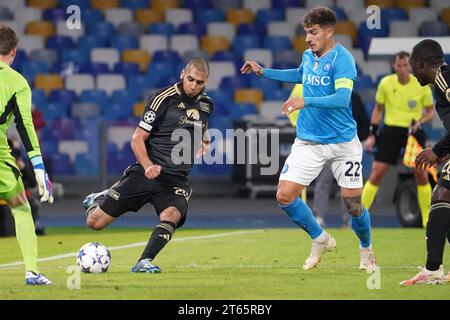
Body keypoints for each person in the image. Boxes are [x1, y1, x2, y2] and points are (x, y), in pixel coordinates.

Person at [241, 7, 376, 270]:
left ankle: (366, 248)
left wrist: (305, 100)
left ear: (329, 31)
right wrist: (263, 72)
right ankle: (320, 238)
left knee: (353, 205)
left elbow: (341, 99)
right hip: (309, 141)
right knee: (285, 195)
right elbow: (300, 74)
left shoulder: (343, 59)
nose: (308, 38)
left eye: (313, 33)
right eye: (306, 33)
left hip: (342, 143)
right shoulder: (309, 55)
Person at [82, 59, 213, 273]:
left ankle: (144, 261)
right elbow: (137, 139)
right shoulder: (162, 99)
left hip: (176, 178)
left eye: (199, 82)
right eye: (190, 79)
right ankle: (98, 199)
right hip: (147, 173)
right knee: (94, 222)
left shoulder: (207, 104)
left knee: (172, 215)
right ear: (182, 74)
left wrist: (205, 139)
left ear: (205, 82)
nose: (193, 85)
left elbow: (202, 122)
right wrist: (149, 166)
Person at [0, 25, 53, 285]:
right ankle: (32, 271)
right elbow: (24, 126)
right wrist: (39, 169)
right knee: (21, 208)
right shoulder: (17, 82)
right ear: (14, 51)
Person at [362, 51, 435, 228]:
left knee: (421, 174)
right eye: (399, 65)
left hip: (413, 132)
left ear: (410, 66)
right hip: (391, 131)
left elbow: (430, 111)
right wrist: (373, 133)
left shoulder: (421, 84)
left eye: (405, 65)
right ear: (394, 66)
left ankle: (427, 220)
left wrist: (421, 121)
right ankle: (358, 217)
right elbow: (378, 110)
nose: (402, 69)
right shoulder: (386, 83)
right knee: (377, 172)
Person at [400, 39, 450, 285]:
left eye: (411, 66)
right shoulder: (441, 81)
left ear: (420, 63)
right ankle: (434, 268)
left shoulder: (444, 79)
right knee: (444, 197)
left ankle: (432, 269)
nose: (410, 71)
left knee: (441, 195)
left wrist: (438, 149)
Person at [312, 91, 370, 228]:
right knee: (323, 182)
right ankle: (319, 217)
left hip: (347, 149)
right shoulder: (324, 96)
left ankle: (349, 219)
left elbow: (364, 123)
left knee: (348, 184)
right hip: (327, 145)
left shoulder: (354, 97)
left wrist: (355, 139)